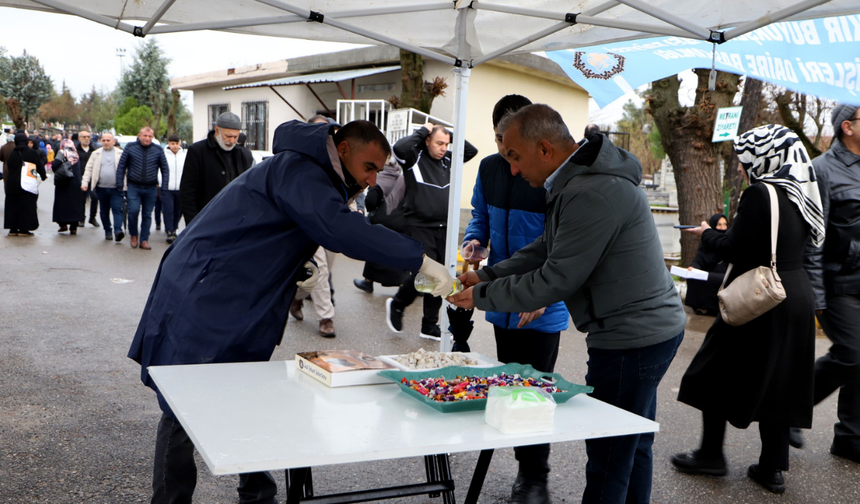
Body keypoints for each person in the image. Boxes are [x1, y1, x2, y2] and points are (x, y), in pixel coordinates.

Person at [128, 119, 453, 504]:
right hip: (207, 294)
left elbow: (269, 226)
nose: (369, 181)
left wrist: (293, 263)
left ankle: (257, 492)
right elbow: (339, 229)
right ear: (344, 150)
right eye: (368, 168)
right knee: (184, 404)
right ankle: (171, 500)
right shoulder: (302, 169)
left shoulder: (311, 168)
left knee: (243, 391)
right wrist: (419, 259)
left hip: (232, 292)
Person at [448, 104, 686, 504]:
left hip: (631, 337)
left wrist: (483, 295)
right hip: (644, 329)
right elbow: (548, 247)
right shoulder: (578, 179)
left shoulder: (589, 190)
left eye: (514, 156)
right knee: (632, 440)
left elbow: (557, 277)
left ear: (544, 149)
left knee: (610, 453)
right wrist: (489, 275)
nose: (512, 170)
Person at [673, 124, 822, 494]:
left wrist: (707, 233)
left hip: (761, 298)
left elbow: (735, 249)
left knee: (714, 369)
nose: (741, 167)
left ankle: (711, 455)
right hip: (796, 295)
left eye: (744, 160)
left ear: (764, 155)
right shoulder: (803, 191)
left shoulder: (761, 193)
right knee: (780, 379)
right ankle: (772, 468)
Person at [458, 94, 570, 503]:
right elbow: (480, 215)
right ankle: (525, 467)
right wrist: (475, 240)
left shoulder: (550, 176)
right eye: (500, 143)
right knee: (509, 385)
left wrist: (543, 293)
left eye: (513, 147)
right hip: (502, 300)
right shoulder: (489, 169)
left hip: (543, 304)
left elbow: (560, 248)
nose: (510, 158)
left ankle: (535, 478)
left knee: (534, 392)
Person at [800, 102, 860, 463]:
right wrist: (816, 293)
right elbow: (812, 239)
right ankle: (790, 405)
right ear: (847, 127)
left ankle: (851, 439)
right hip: (838, 284)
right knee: (852, 353)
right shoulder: (821, 170)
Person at [386, 122, 478, 340]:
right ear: (427, 141)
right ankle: (398, 303)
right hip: (418, 224)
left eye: (446, 144)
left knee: (442, 273)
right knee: (427, 271)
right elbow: (398, 147)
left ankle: (429, 324)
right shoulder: (414, 156)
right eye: (439, 143)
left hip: (444, 225)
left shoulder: (448, 159)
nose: (444, 147)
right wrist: (424, 131)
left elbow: (471, 151)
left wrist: (449, 133)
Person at [290, 115, 341, 337]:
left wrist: (356, 207)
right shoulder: (296, 157)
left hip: (331, 224)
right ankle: (326, 318)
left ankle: (296, 297)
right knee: (319, 269)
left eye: (327, 130)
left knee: (322, 270)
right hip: (306, 224)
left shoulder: (338, 158)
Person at [180, 111, 252, 223]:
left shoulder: (242, 154)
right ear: (217, 130)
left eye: (235, 137)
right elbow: (187, 192)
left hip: (235, 221)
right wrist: (193, 224)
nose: (232, 141)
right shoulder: (198, 151)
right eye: (228, 136)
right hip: (206, 221)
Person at [353, 159, 410, 293]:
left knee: (375, 251)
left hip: (382, 221)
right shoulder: (403, 179)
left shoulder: (379, 180)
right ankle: (403, 284)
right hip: (401, 222)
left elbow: (371, 201)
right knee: (399, 253)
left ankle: (368, 282)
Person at [115, 127, 169, 250]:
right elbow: (121, 166)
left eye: (150, 136)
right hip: (134, 186)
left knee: (147, 215)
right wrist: (120, 184)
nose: (147, 138)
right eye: (145, 135)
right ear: (139, 135)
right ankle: (134, 235)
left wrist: (164, 186)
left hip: (151, 187)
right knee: (133, 211)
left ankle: (144, 239)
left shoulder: (158, 150)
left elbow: (165, 169)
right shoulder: (130, 147)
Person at [82, 133, 126, 241]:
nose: (106, 142)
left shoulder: (121, 154)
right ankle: (107, 230)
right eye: (104, 140)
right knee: (104, 211)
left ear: (113, 142)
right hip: (101, 188)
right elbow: (89, 169)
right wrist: (85, 182)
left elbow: (127, 169)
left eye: (108, 140)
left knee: (117, 209)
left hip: (117, 188)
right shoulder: (95, 154)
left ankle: (117, 230)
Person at [684, 213, 729, 315]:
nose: (722, 228)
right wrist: (693, 267)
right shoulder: (707, 242)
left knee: (719, 279)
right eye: (719, 225)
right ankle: (700, 307)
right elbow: (699, 259)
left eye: (725, 224)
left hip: (724, 275)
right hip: (708, 273)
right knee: (694, 276)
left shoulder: (728, 241)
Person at [4, 131, 47, 236]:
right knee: (26, 205)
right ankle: (24, 229)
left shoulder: (13, 153)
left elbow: (8, 165)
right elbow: (39, 165)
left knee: (12, 206)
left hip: (12, 183)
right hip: (27, 183)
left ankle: (13, 229)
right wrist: (43, 175)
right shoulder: (31, 152)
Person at [52, 139, 85, 235]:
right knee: (74, 203)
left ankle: (63, 224)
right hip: (75, 182)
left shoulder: (62, 152)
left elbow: (54, 165)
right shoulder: (76, 154)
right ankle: (74, 227)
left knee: (62, 203)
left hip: (64, 182)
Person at [161, 134, 185, 243]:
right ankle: (169, 231)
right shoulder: (163, 155)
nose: (174, 146)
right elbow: (159, 170)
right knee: (168, 209)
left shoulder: (184, 155)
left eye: (176, 143)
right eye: (172, 144)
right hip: (167, 187)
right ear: (168, 144)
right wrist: (161, 182)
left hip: (180, 187)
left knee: (178, 210)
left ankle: (174, 228)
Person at [76, 130, 99, 227]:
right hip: (79, 177)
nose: (86, 139)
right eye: (84, 137)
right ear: (79, 138)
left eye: (88, 137)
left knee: (95, 197)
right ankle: (81, 218)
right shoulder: (75, 151)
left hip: (92, 178)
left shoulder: (94, 151)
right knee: (81, 199)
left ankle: (92, 217)